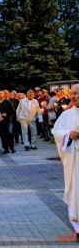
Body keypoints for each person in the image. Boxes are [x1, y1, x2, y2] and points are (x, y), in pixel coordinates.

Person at [52, 84, 79, 224]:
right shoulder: (67, 114)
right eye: (71, 94)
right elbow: (56, 131)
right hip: (73, 161)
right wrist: (68, 134)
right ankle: (77, 223)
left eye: (76, 93)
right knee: (75, 189)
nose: (73, 96)